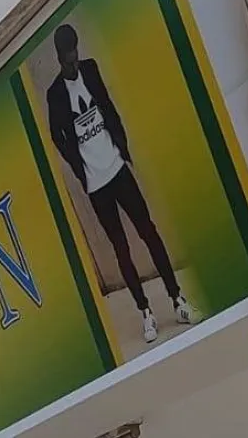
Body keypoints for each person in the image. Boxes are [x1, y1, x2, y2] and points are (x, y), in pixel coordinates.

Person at [46, 24, 202, 343]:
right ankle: (145, 312)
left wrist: (120, 145)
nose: (74, 60)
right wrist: (80, 168)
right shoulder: (55, 94)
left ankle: (178, 300)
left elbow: (109, 107)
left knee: (149, 231)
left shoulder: (91, 69)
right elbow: (56, 136)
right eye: (68, 57)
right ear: (60, 57)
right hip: (96, 184)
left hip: (117, 168)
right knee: (121, 248)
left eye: (75, 53)